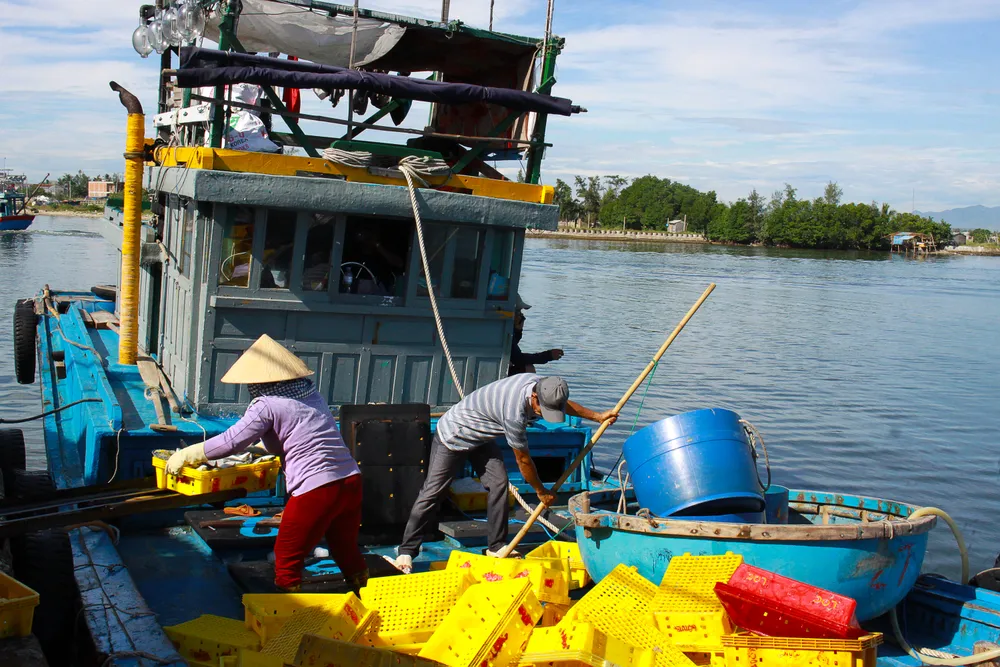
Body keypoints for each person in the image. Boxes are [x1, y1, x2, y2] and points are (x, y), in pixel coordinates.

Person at [166, 334, 367, 593]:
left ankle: (286, 611)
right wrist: (261, 446)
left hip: (316, 489)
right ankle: (363, 591)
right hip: (350, 480)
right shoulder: (310, 394)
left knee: (286, 555)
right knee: (344, 546)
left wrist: (188, 454)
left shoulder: (266, 404)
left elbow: (231, 442)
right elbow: (302, 432)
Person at [391, 374, 616, 573]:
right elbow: (523, 460)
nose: (543, 415)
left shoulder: (544, 386)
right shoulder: (514, 413)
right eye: (542, 410)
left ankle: (496, 547)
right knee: (433, 491)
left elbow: (563, 405)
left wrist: (598, 417)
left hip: (481, 437)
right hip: (454, 435)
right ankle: (406, 550)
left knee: (499, 484)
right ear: (535, 397)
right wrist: (540, 491)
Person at [509, 303, 563, 375]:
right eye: (519, 312)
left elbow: (512, 351)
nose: (522, 317)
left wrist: (517, 330)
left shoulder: (503, 330)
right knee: (528, 368)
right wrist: (548, 355)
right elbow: (517, 358)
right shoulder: (503, 332)